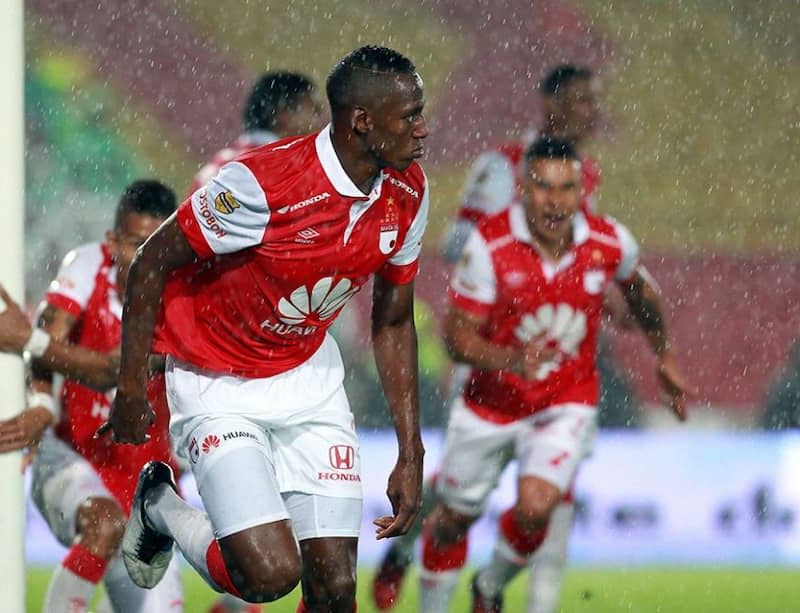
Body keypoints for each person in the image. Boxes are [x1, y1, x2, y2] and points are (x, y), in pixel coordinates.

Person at [99, 45, 429, 613]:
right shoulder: (260, 185)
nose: (422, 130)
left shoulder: (408, 191)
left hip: (308, 380)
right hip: (218, 382)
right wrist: (131, 386)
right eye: (410, 116)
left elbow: (394, 319)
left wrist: (410, 448)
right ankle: (158, 504)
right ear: (362, 122)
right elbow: (152, 262)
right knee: (269, 575)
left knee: (334, 592)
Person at [372, 64, 622, 613]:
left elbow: (586, 258)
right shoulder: (501, 166)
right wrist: (517, 261)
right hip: (490, 344)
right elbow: (459, 241)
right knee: (457, 495)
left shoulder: (586, 176)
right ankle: (405, 548)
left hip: (555, 354)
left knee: (550, 495)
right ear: (549, 102)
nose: (590, 111)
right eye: (579, 100)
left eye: (592, 99)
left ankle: (527, 599)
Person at [414, 137, 691, 612]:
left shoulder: (608, 242)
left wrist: (663, 355)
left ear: (582, 190)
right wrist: (512, 361)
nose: (555, 201)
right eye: (543, 187)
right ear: (522, 188)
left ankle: (488, 587)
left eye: (566, 189)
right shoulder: (490, 246)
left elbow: (642, 293)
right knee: (451, 522)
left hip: (565, 401)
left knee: (537, 506)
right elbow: (456, 339)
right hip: (490, 404)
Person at [0, 180, 185, 613]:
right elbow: (51, 338)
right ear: (112, 241)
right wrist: (41, 404)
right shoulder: (87, 265)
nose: (143, 257)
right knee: (103, 525)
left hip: (146, 483)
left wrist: (27, 339)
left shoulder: (184, 294)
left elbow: (115, 369)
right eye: (132, 244)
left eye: (153, 244)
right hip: (73, 457)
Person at [189, 70, 322, 195]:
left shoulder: (221, 164)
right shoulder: (283, 169)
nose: (320, 121)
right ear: (284, 115)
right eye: (315, 111)